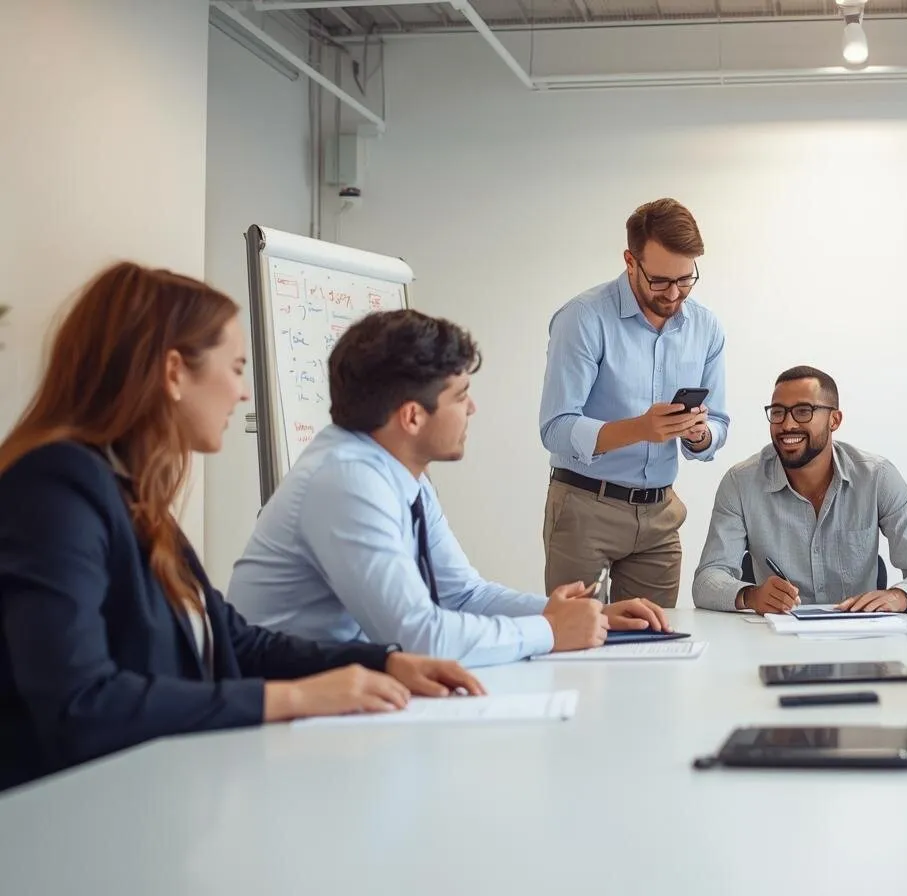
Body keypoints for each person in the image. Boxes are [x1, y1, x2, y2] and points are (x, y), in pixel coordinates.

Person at [0, 264, 480, 791]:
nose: (243, 393)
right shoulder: (55, 487)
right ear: (175, 372)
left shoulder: (130, 491)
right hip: (63, 821)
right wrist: (292, 698)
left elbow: (235, 641)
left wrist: (383, 662)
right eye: (234, 368)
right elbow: (80, 700)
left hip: (150, 800)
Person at [228, 310, 667, 667]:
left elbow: (462, 594)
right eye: (460, 396)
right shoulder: (346, 481)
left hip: (342, 693)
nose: (472, 407)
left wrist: (587, 618)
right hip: (289, 714)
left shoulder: (399, 471)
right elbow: (419, 636)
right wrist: (550, 631)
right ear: (412, 417)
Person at [539, 198, 730, 608]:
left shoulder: (706, 326)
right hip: (584, 508)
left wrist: (699, 434)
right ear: (630, 261)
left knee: (655, 644)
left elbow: (719, 425)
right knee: (577, 646)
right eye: (660, 280)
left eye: (686, 279)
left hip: (660, 514)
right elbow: (555, 428)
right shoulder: (583, 318)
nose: (674, 293)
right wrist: (640, 429)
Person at [693, 366, 907, 614]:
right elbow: (707, 580)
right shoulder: (740, 482)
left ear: (834, 420)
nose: (787, 424)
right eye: (778, 412)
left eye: (804, 411)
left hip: (859, 637)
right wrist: (750, 596)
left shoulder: (877, 477)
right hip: (777, 641)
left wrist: (898, 596)